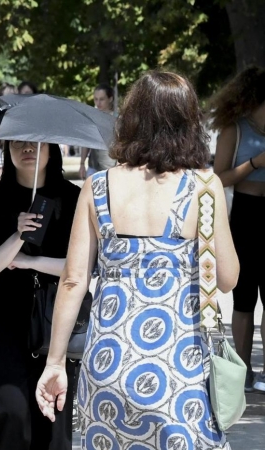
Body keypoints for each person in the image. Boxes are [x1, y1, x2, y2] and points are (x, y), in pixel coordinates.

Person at [36, 71, 239, 449]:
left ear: (130, 119)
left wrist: (55, 363)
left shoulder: (97, 187)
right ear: (188, 122)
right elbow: (227, 279)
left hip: (107, 366)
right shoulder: (203, 188)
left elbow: (73, 280)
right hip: (179, 369)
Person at [0, 139, 80, 449]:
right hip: (3, 320)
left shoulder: (73, 198)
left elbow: (82, 268)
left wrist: (31, 262)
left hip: (56, 320)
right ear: (7, 150)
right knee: (8, 413)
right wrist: (19, 237)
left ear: (52, 149)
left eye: (36, 143)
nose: (27, 150)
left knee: (52, 421)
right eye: (18, 143)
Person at [208, 65, 265, 393]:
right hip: (244, 214)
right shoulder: (236, 129)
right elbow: (218, 178)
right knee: (244, 300)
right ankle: (242, 373)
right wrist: (256, 163)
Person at [79, 83, 117, 179]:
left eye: (101, 99)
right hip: (93, 166)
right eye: (96, 99)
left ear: (110, 99)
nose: (98, 103)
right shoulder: (91, 118)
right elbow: (86, 143)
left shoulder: (117, 119)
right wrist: (82, 163)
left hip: (111, 168)